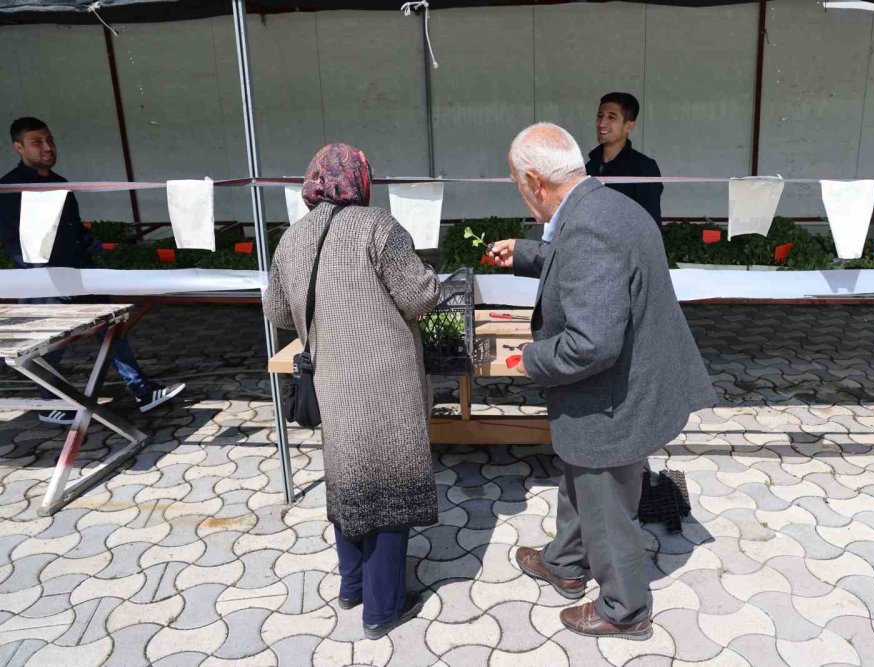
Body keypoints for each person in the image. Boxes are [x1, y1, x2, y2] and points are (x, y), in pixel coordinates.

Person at [488, 123, 716, 640]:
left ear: (534, 181)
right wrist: (525, 254)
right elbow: (586, 264)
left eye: (517, 184)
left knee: (606, 502)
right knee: (581, 477)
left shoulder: (590, 229)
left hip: (613, 396)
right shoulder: (607, 205)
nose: (521, 193)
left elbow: (591, 344)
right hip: (630, 381)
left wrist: (529, 359)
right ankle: (566, 562)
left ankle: (625, 608)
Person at [263, 143, 441, 640]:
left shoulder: (292, 238)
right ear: (360, 181)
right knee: (389, 488)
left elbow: (277, 312)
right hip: (386, 384)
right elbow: (419, 296)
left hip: (332, 380)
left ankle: (353, 585)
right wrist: (432, 278)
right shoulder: (378, 227)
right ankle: (383, 609)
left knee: (348, 479)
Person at [0, 117, 184, 423]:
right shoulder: (10, 188)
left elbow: (72, 227)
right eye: (37, 142)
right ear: (18, 147)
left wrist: (91, 244)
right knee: (49, 346)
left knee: (112, 329)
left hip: (82, 273)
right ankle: (49, 404)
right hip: (45, 280)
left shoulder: (60, 182)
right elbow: (11, 240)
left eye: (50, 140)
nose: (47, 147)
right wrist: (41, 275)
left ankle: (142, 391)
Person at [584, 92, 663, 225]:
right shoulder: (588, 168)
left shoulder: (644, 168)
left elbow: (650, 225)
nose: (602, 123)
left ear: (629, 126)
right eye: (600, 116)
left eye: (611, 117)